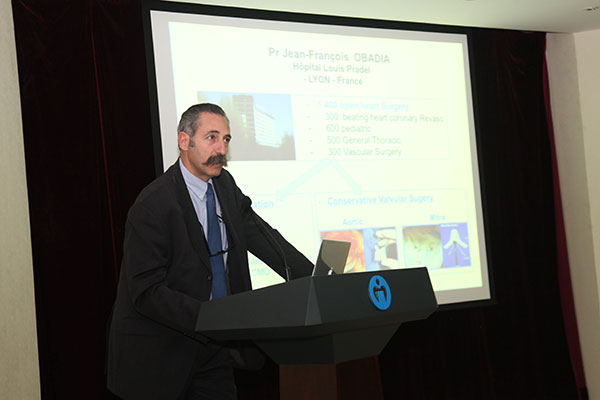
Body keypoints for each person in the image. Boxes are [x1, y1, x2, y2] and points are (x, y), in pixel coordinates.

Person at [107, 103, 314, 400]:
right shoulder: (153, 204)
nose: (221, 149)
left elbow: (263, 237)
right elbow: (146, 291)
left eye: (226, 139)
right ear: (184, 141)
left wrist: (315, 278)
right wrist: (209, 318)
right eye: (211, 137)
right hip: (161, 355)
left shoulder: (224, 185)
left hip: (216, 351)